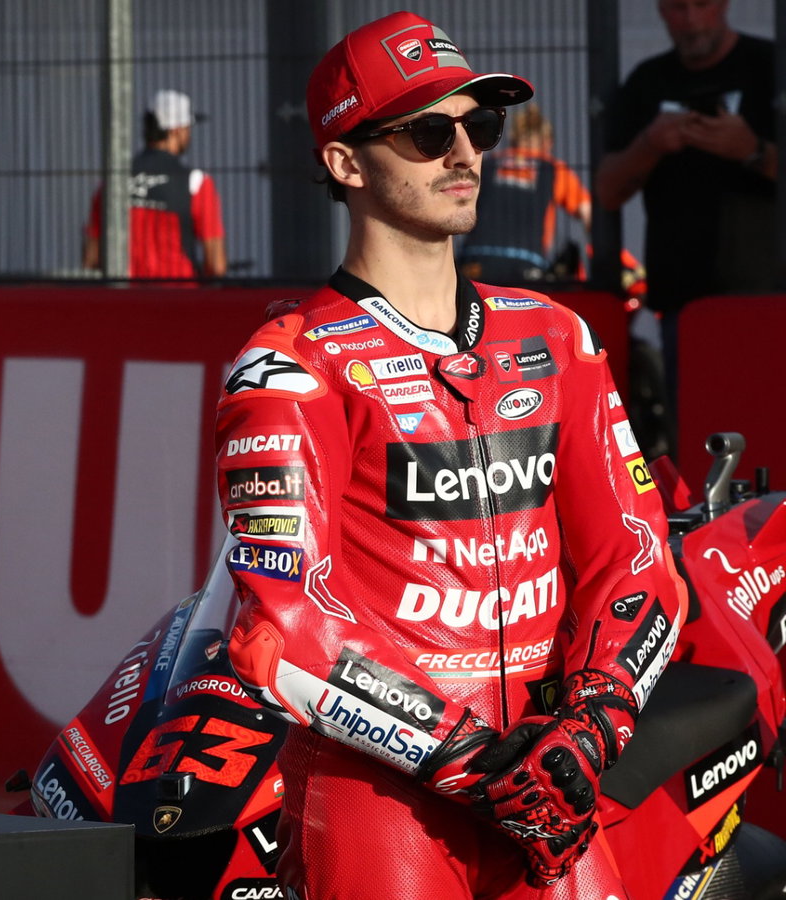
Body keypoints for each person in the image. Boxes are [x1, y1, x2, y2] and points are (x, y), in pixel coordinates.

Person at [217, 10, 686, 898]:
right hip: (383, 799)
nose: (465, 153)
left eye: (481, 125)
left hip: (552, 786)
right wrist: (468, 760)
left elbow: (636, 559)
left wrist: (594, 726)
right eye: (429, 132)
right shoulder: (287, 366)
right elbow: (283, 625)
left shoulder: (558, 336)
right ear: (344, 161)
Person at [595, 0, 776, 439]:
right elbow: (606, 190)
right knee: (702, 441)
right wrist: (651, 143)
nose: (692, 20)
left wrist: (752, 150)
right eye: (678, 8)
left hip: (772, 298)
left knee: (773, 433)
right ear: (660, 11)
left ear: (725, 4)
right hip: (685, 307)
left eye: (702, 5)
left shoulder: (771, 67)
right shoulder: (648, 82)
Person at [82, 89, 227, 280]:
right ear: (177, 130)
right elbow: (216, 265)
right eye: (187, 127)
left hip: (125, 299)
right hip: (178, 299)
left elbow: (91, 259)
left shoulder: (112, 182)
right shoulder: (197, 183)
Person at [458, 105, 593, 285]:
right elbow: (588, 214)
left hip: (475, 259)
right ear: (547, 142)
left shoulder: (489, 164)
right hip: (526, 262)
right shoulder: (553, 169)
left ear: (514, 138)